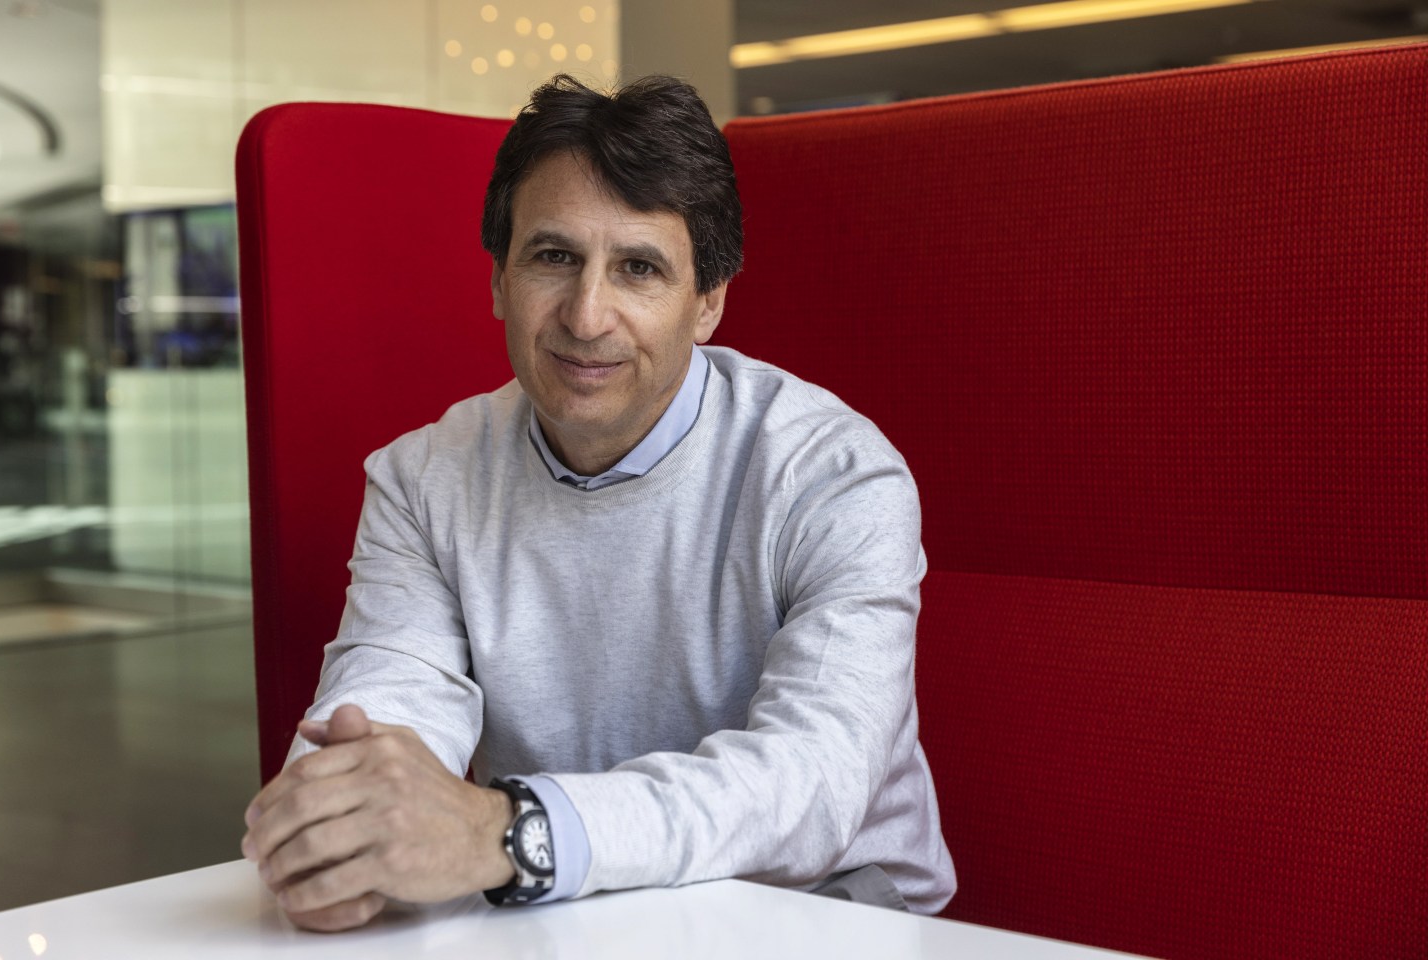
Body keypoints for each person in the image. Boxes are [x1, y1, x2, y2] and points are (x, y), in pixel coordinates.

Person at [240, 73, 956, 932]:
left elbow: (811, 785)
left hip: (828, 907)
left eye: (638, 269)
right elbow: (390, 704)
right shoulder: (422, 479)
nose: (586, 317)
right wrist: (342, 830)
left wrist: (509, 832)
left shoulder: (832, 474)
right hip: (568, 905)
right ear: (499, 279)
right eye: (554, 257)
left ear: (708, 302)